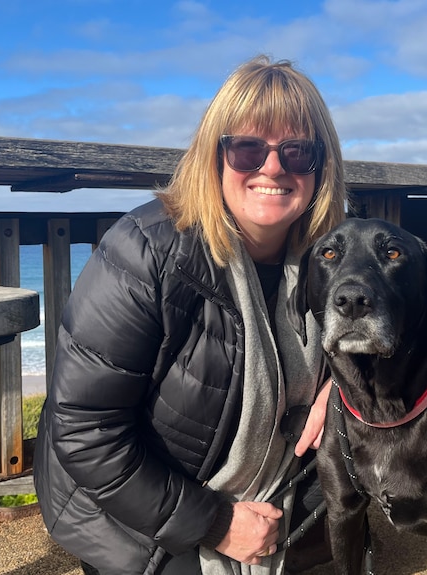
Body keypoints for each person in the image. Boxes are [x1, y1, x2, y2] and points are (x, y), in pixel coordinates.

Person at [34, 55, 347, 575]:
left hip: (279, 493)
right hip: (135, 514)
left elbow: (425, 330)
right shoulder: (144, 252)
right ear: (214, 156)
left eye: (297, 152)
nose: (272, 168)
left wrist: (342, 382)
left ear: (321, 167)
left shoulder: (335, 257)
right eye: (247, 148)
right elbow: (86, 432)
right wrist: (219, 525)